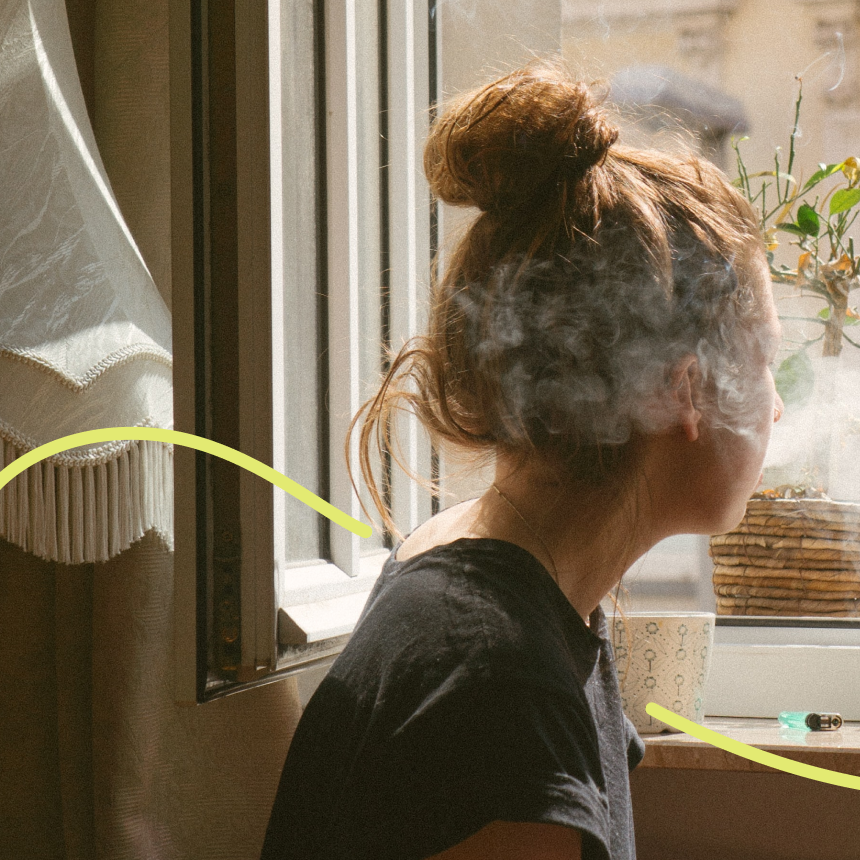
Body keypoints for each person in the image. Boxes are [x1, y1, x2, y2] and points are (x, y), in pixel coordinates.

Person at [260, 60, 783, 860]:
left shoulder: (497, 584)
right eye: (766, 364)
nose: (777, 408)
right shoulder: (502, 693)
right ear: (684, 390)